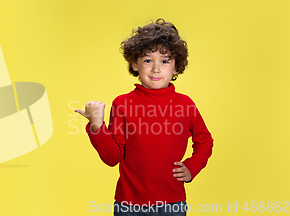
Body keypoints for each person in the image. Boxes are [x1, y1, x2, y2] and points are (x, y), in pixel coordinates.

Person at [75, 18, 214, 216]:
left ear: (175, 68)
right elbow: (112, 158)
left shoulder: (185, 104)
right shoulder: (122, 104)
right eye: (148, 60)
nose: (156, 69)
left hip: (172, 203)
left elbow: (205, 141)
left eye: (165, 61)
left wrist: (192, 166)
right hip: (129, 205)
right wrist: (97, 126)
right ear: (134, 64)